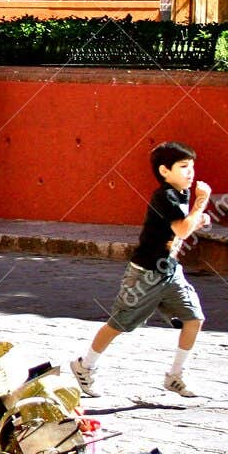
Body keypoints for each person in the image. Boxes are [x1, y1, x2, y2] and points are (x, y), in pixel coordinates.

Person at [71, 141, 209, 398]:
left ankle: (175, 376)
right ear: (165, 171)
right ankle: (84, 366)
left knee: (194, 319)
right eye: (183, 167)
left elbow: (178, 230)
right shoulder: (165, 195)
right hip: (145, 275)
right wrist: (201, 203)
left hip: (170, 271)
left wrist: (196, 221)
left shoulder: (181, 193)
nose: (190, 172)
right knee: (119, 324)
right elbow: (181, 229)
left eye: (191, 167)